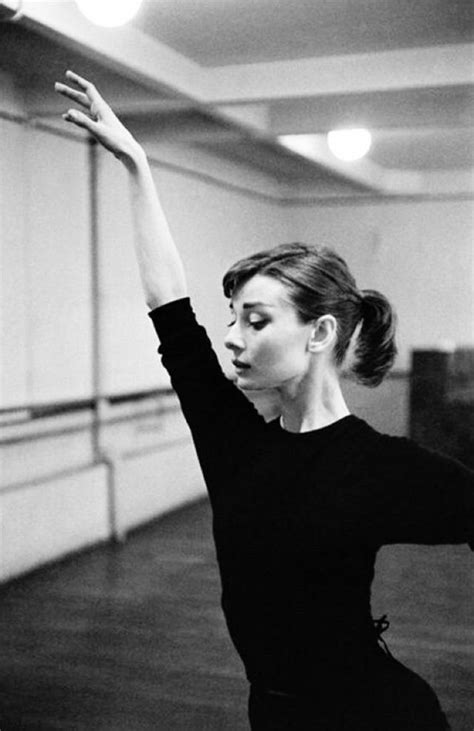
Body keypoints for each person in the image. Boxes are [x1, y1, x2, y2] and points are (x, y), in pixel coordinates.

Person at [55, 71, 473, 730]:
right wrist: (137, 166)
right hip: (273, 713)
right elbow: (170, 308)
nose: (231, 337)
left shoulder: (381, 467)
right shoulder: (233, 441)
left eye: (255, 320)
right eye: (232, 317)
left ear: (320, 333)